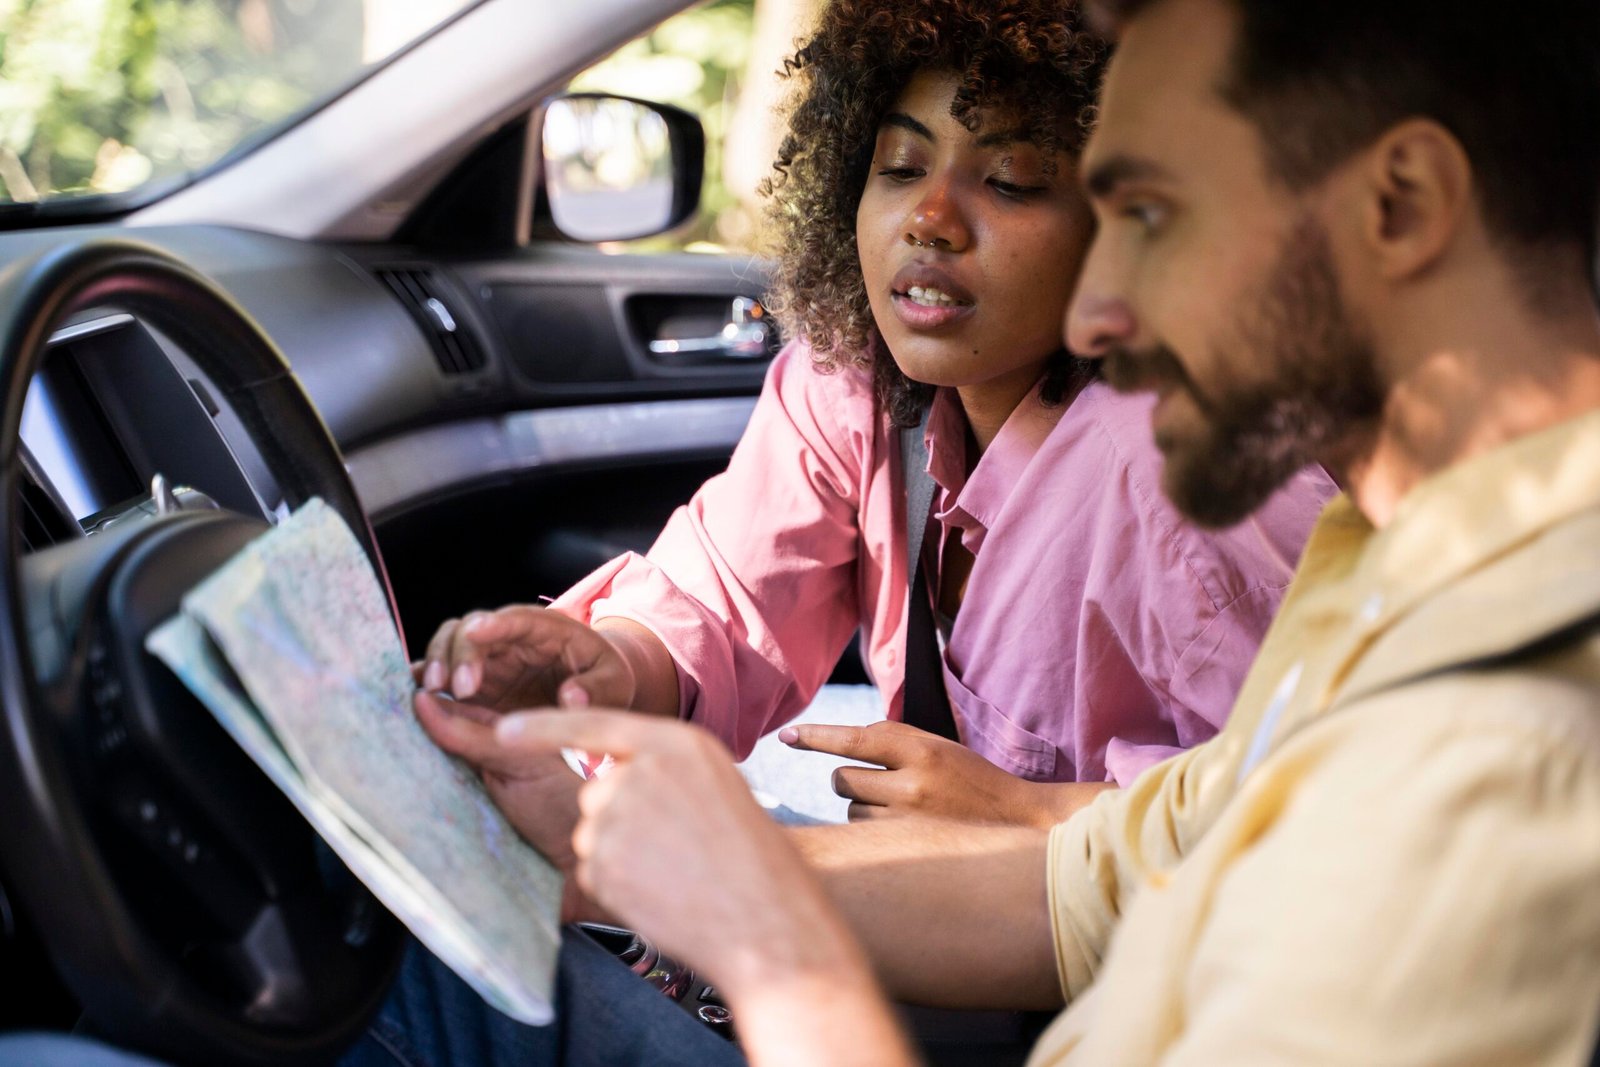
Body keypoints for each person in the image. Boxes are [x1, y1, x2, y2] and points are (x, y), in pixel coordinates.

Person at [399, 0, 1600, 1063]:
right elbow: (1080, 890)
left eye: (1152, 213)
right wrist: (599, 857)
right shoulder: (1378, 582)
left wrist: (770, 948)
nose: (1098, 305)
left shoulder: (1504, 754)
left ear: (1400, 206)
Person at [418, 0, 1330, 833]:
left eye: (1010, 180)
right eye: (900, 166)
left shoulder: (1194, 479)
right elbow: (728, 600)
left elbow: (1328, 818)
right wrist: (606, 663)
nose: (930, 218)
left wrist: (1034, 813)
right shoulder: (852, 380)